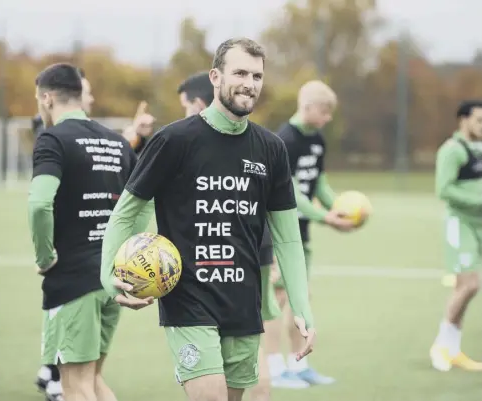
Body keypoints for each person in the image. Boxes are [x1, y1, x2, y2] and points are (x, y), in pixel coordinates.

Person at [100, 38, 315, 401]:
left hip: (244, 303)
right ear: (216, 77)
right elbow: (127, 210)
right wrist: (109, 275)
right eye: (240, 72)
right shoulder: (174, 140)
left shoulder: (271, 149)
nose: (250, 82)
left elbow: (289, 237)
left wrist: (303, 308)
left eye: (257, 75)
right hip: (188, 300)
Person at [28, 63, 142, 401]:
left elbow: (39, 204)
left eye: (38, 99)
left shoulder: (53, 138)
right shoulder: (117, 143)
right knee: (92, 381)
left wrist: (45, 256)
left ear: (47, 98)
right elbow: (141, 204)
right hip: (111, 277)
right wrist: (128, 257)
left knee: (74, 386)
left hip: (73, 281)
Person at [177, 70, 281, 401]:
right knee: (254, 333)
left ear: (196, 102)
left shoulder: (203, 140)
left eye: (184, 107)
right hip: (256, 245)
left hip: (230, 250)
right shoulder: (246, 136)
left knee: (244, 335)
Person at [264, 80, 356, 388]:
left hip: (300, 232)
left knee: (302, 297)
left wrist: (340, 208)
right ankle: (274, 367)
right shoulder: (283, 140)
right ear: (307, 107)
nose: (328, 118)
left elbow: (318, 183)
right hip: (277, 230)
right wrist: (325, 217)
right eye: (325, 111)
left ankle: (297, 364)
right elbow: (289, 190)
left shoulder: (317, 139)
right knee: (277, 296)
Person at [430, 100, 482, 372]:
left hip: (480, 225)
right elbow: (444, 190)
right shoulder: (452, 150)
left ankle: (453, 349)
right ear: (463, 120)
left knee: (468, 288)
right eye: (478, 120)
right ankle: (440, 344)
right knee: (469, 285)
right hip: (460, 224)